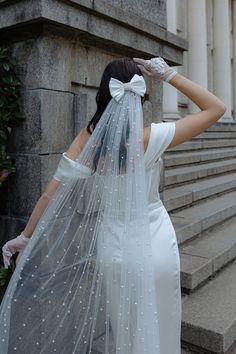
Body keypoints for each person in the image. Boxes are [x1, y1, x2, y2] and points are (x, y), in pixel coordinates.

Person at [0, 57, 226, 354]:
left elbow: (49, 196)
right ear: (141, 94)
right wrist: (170, 75)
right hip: (155, 243)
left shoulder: (86, 142)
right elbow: (217, 109)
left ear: (103, 93)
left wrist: (25, 237)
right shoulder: (151, 138)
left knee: (126, 329)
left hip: (114, 249)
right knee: (160, 321)